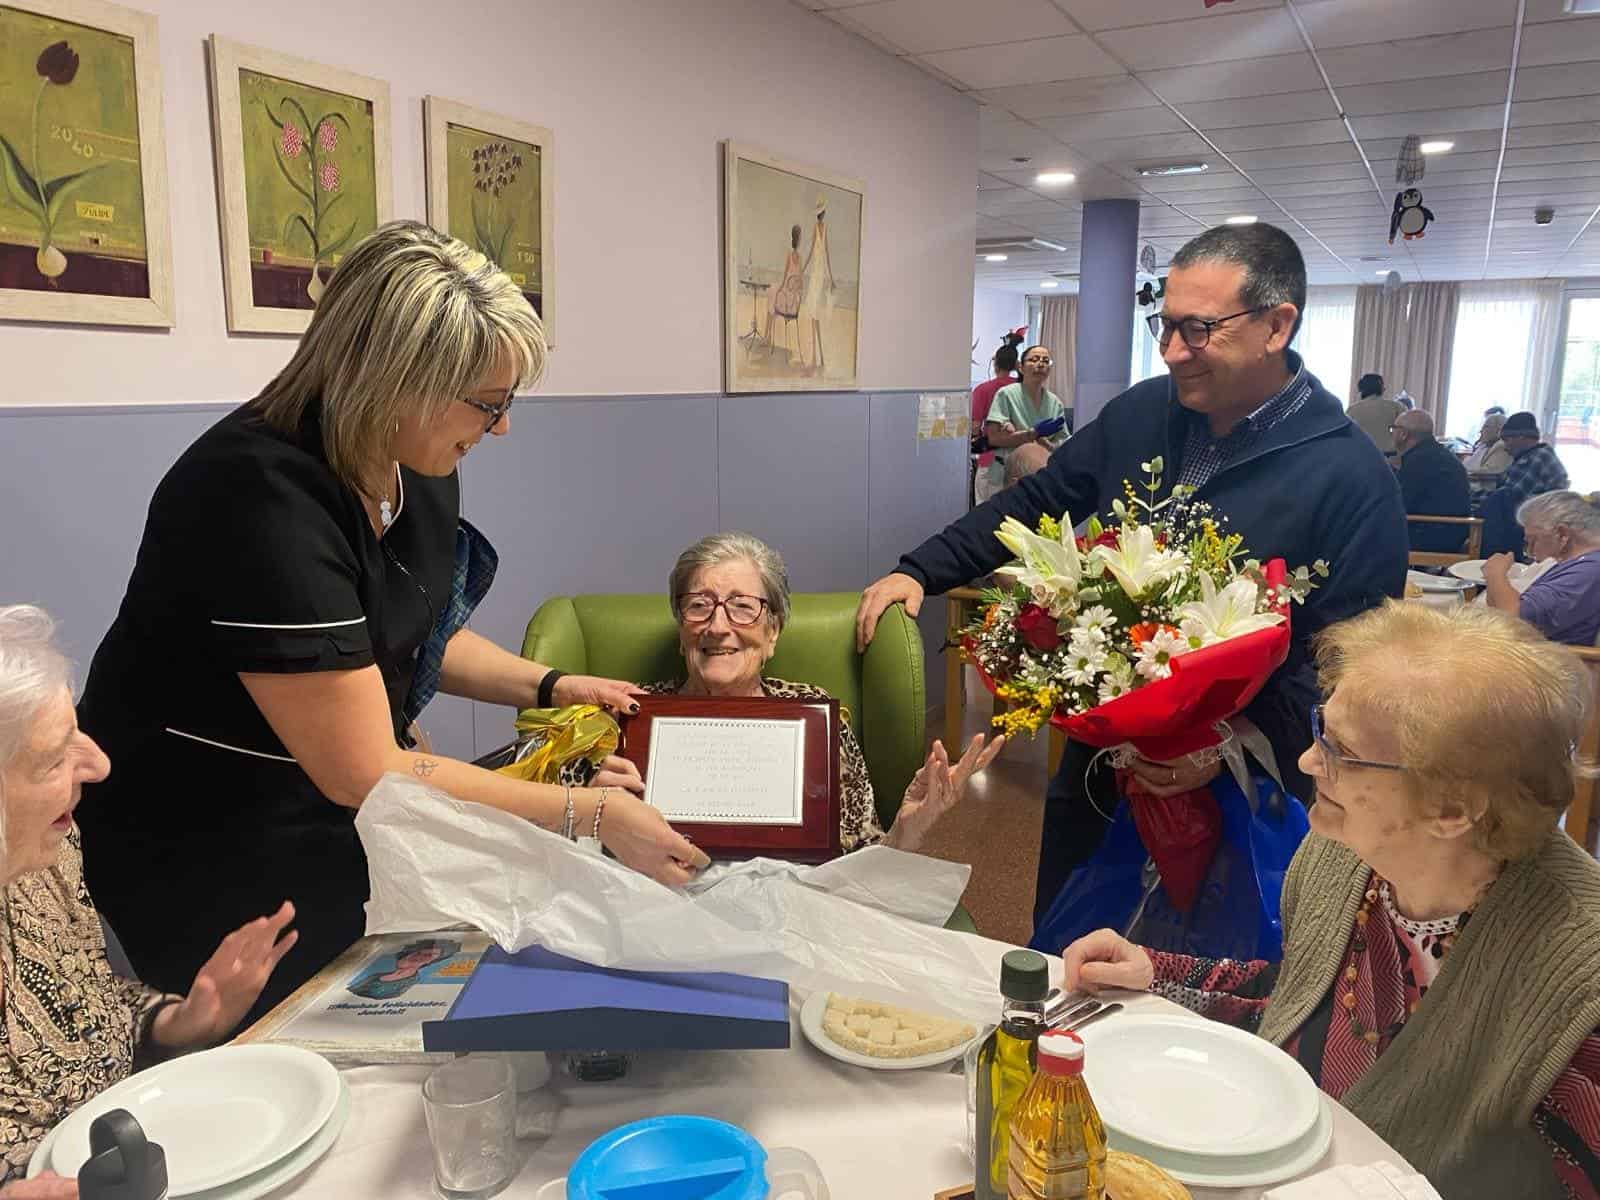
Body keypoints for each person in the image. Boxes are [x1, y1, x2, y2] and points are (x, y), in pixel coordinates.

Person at [75, 222, 709, 1026]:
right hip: (210, 836)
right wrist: (589, 816)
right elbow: (363, 766)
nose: (503, 426)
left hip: (336, 806)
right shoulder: (255, 497)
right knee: (314, 1034)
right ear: (398, 380)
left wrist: (548, 683)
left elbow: (400, 636)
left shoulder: (419, 467)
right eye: (489, 402)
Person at [855, 222, 1407, 927]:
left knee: (1198, 978)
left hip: (1243, 791)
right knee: (1066, 938)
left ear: (1277, 325)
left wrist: (1225, 744)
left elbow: (1349, 666)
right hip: (1100, 768)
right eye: (1166, 325)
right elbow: (1038, 501)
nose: (1173, 352)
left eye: (1199, 329)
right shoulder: (1147, 413)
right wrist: (921, 572)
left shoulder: (1351, 477)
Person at [1060, 602, 1600, 1200]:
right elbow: (1303, 997)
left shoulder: (1579, 983)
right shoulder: (1340, 855)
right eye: (1323, 728)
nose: (1307, 761)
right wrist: (1159, 972)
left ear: (1451, 810)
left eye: (1340, 750)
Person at [0, 606, 297, 1183]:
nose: (99, 765)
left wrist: (183, 1021)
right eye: (55, 757)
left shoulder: (47, 863)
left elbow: (92, 1009)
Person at [638, 533, 1004, 852]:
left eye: (742, 608)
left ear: (773, 632)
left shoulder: (813, 719)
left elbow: (860, 861)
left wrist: (911, 827)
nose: (718, 626)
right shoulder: (631, 715)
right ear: (681, 625)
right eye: (699, 606)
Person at [1484, 490, 1600, 646]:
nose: (1530, 551)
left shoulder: (1588, 571)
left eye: (1534, 540)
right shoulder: (1580, 562)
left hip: (1557, 662)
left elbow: (1512, 619)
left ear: (1562, 534)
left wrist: (1495, 573)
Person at [981, 344, 1069, 496]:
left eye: (1045, 361)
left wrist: (1046, 444)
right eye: (1034, 359)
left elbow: (1063, 445)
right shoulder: (1006, 395)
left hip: (1038, 476)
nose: (1040, 364)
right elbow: (994, 438)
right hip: (1003, 474)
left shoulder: (1055, 403)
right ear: (1021, 367)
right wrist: (1031, 435)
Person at [1480, 412, 1570, 557]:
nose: (1505, 445)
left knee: (1494, 504)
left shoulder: (1536, 459)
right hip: (1528, 521)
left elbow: (1512, 497)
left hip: (1525, 525)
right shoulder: (1536, 455)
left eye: (1507, 439)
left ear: (1521, 437)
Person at [1390, 410, 1470, 553]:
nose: (1392, 433)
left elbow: (1400, 504)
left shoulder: (1419, 461)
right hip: (1450, 531)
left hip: (1431, 534)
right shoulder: (1436, 454)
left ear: (1403, 434)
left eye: (1393, 429)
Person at [970, 338, 1021, 505]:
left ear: (995, 363)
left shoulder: (982, 390)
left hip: (989, 452)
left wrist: (974, 438)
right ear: (1016, 365)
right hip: (1020, 451)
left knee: (984, 501)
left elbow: (976, 426)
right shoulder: (1024, 389)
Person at [346, 937, 460, 1001]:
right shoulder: (379, 961)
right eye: (420, 952)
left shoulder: (409, 981)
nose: (420, 956)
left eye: (429, 955)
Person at [799, 196, 835, 372]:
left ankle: (816, 358)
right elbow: (823, 253)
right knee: (814, 315)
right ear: (824, 213)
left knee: (814, 314)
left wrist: (831, 277)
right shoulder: (822, 228)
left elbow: (815, 252)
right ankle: (819, 358)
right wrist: (831, 277)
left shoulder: (819, 228)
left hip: (817, 275)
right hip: (817, 274)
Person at [763, 223, 805, 361]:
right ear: (799, 240)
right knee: (774, 294)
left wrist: (782, 287)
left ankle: (767, 335)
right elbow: (800, 283)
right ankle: (767, 336)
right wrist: (795, 291)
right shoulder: (800, 258)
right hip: (793, 302)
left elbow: (785, 275)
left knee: (772, 292)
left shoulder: (789, 255)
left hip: (786, 299)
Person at [1347, 372, 1403, 455]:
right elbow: (1404, 431)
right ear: (1380, 387)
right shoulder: (1396, 407)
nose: (1385, 388)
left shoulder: (1351, 410)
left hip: (1360, 455)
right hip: (1390, 457)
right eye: (1383, 385)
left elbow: (1347, 436)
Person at [1463, 411, 1512, 488]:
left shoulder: (1502, 446)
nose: (1480, 431)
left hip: (1483, 491)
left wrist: (1461, 469)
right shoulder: (1485, 445)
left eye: (1486, 427)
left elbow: (1489, 471)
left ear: (1499, 430)